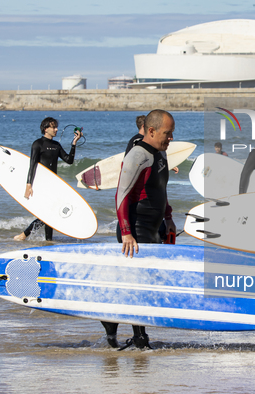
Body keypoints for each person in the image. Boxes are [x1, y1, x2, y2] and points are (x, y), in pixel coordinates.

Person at [106, 109, 176, 350]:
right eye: (167, 133)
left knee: (150, 281)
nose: (171, 138)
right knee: (140, 283)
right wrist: (126, 231)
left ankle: (110, 319)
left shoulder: (161, 154)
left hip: (155, 227)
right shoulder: (138, 154)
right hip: (136, 228)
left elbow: (161, 190)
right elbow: (121, 194)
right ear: (151, 131)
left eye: (172, 133)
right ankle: (140, 337)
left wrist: (168, 219)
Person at [14, 117, 82, 241]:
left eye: (56, 127)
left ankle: (47, 240)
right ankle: (25, 234)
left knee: (50, 213)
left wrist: (74, 143)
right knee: (47, 213)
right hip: (41, 184)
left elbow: (69, 160)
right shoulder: (37, 144)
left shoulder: (56, 145)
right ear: (46, 129)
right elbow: (32, 165)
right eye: (53, 127)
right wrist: (28, 185)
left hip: (53, 184)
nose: (56, 129)